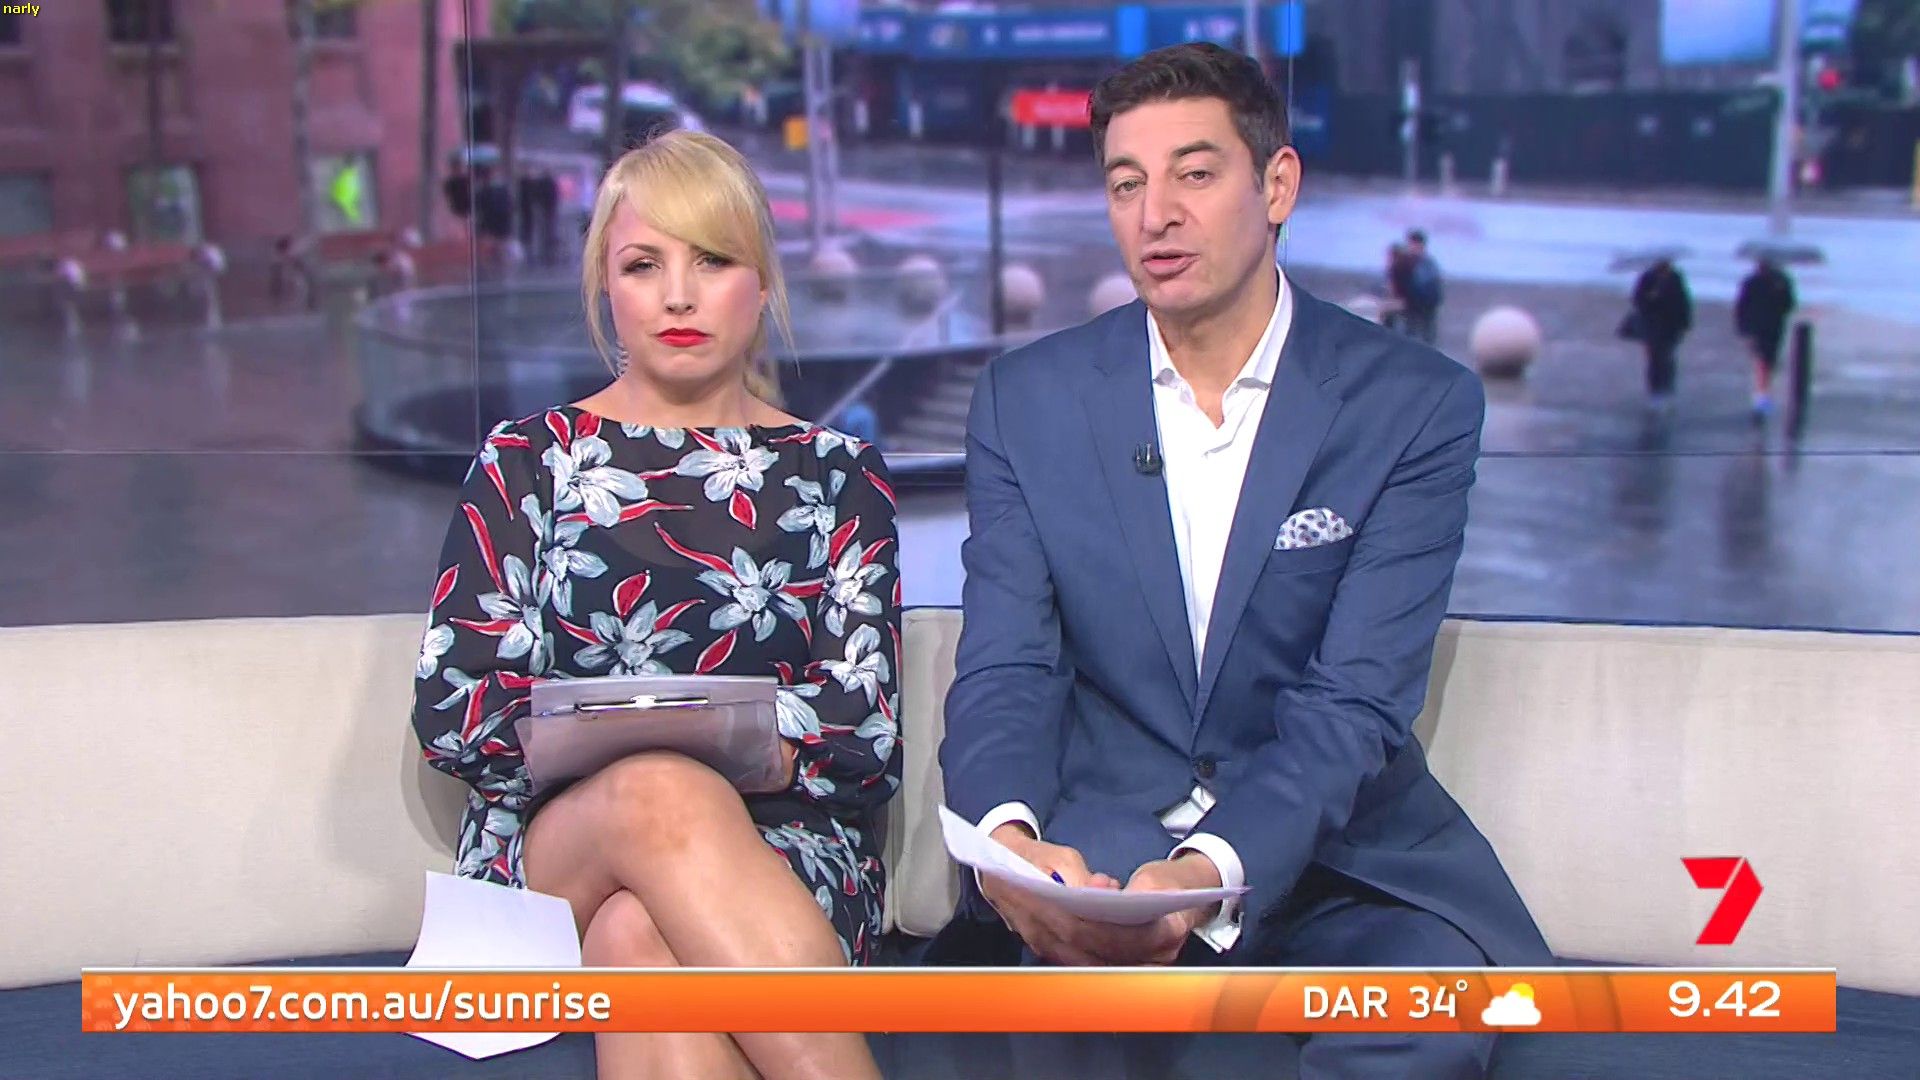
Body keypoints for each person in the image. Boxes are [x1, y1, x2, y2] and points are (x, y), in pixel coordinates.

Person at [934, 43, 1548, 1079]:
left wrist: (1207, 868)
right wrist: (1009, 844)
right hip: (1104, 852)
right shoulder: (1026, 401)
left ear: (1277, 186)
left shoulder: (1412, 404)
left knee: (1424, 1017)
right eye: (1126, 184)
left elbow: (1355, 702)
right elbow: (1007, 666)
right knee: (1057, 1014)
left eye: (1195, 173)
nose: (1155, 215)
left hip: (1338, 866)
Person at [411, 130, 897, 1080]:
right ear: (607, 284)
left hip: (786, 864)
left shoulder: (840, 475)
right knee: (658, 791)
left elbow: (865, 730)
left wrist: (673, 735)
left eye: (712, 260)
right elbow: (456, 711)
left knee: (639, 932)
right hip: (549, 861)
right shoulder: (528, 462)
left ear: (762, 281)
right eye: (644, 265)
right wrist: (691, 744)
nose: (678, 295)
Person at [1734, 256, 1796, 420]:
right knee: (1762, 362)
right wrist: (1744, 329)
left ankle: (1762, 396)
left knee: (1767, 363)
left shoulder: (1779, 281)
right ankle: (1761, 399)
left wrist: (1743, 328)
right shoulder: (1754, 282)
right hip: (1760, 328)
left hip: (1770, 328)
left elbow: (1789, 304)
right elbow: (1742, 307)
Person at [1630, 257, 1692, 409]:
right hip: (1652, 326)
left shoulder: (1676, 278)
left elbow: (1683, 302)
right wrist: (1651, 297)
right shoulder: (1647, 278)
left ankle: (1667, 390)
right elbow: (1638, 301)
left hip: (1671, 326)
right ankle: (1655, 392)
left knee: (1668, 358)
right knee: (1654, 359)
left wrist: (1685, 323)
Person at [1402, 228, 1444, 345]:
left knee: (1426, 337)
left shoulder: (1428, 264)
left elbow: (1432, 286)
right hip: (1411, 306)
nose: (1411, 247)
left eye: (1413, 244)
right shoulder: (1407, 262)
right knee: (1409, 335)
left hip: (1425, 306)